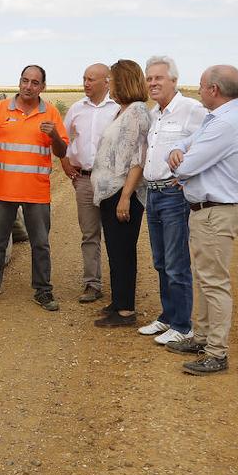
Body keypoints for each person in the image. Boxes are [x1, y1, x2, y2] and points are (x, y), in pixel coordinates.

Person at [166, 65, 238, 375]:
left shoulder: (226, 123)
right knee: (205, 277)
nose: (198, 90)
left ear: (214, 90)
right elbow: (187, 147)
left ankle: (216, 352)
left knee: (214, 282)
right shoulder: (218, 118)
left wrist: (182, 164)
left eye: (202, 86)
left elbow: (187, 166)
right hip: (208, 209)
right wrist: (177, 149)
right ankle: (201, 337)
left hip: (217, 211)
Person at [0, 65, 68, 310]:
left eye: (34, 82)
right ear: (19, 82)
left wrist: (55, 135)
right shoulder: (1, 109)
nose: (28, 86)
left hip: (36, 192)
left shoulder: (51, 113)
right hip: (3, 190)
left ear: (42, 87)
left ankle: (43, 290)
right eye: (25, 80)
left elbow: (62, 151)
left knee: (40, 243)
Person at [139, 56, 208, 345]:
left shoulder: (192, 110)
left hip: (174, 194)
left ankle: (183, 325)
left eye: (159, 78)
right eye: (149, 78)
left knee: (176, 263)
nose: (153, 83)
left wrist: (191, 175)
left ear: (174, 81)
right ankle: (168, 317)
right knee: (160, 261)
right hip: (152, 194)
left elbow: (210, 142)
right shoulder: (154, 113)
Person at [90, 59, 152, 328]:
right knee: (115, 250)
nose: (109, 84)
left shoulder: (138, 111)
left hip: (122, 193)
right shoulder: (123, 110)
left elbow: (138, 160)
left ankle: (126, 310)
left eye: (112, 79)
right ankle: (118, 301)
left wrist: (126, 196)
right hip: (110, 193)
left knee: (123, 250)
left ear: (123, 81)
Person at [61, 63, 119, 304]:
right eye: (84, 78)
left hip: (112, 181)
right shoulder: (76, 108)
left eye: (91, 79)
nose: (86, 83)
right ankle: (92, 284)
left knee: (116, 235)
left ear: (107, 81)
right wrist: (65, 162)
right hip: (84, 179)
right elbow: (63, 138)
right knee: (89, 234)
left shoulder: (118, 110)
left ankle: (120, 287)